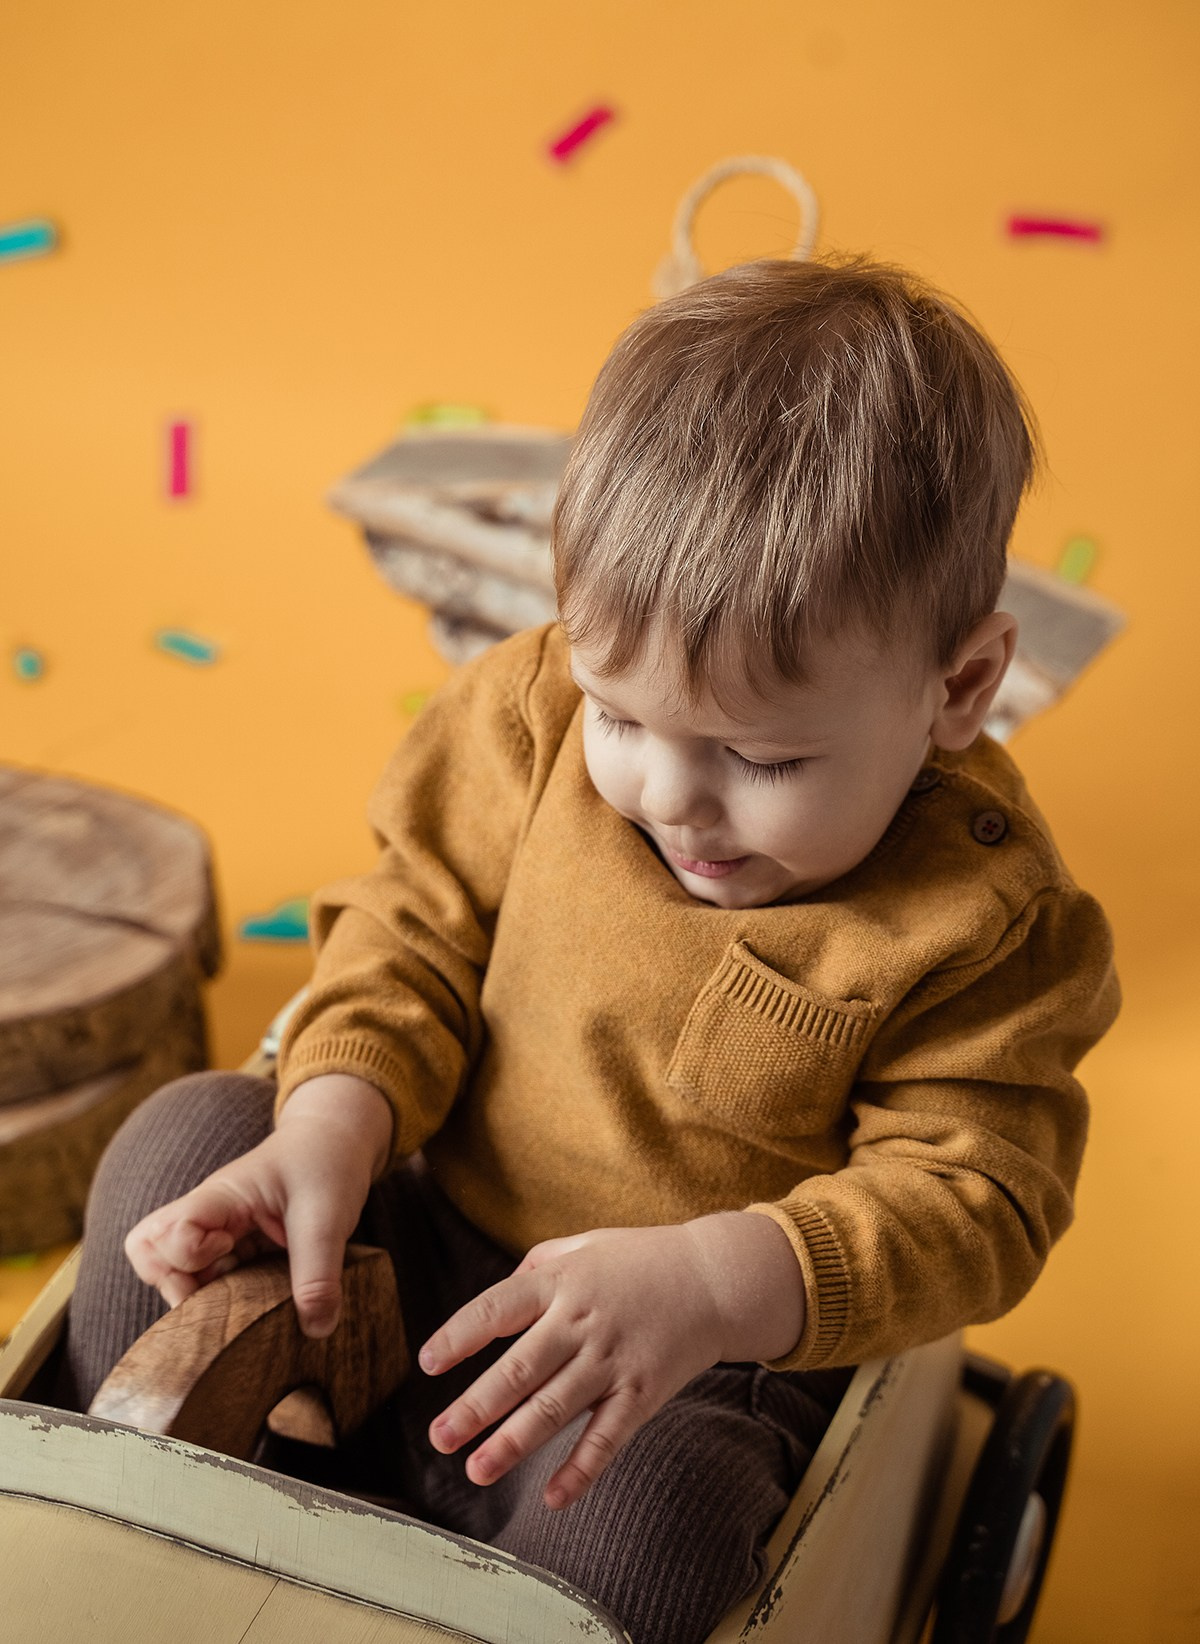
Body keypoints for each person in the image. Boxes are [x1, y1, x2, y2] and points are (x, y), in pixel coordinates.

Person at [58, 254, 1120, 1644]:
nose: (672, 796)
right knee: (182, 1138)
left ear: (961, 686)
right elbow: (414, 923)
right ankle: (121, 1542)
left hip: (693, 1357)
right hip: (423, 1237)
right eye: (627, 719)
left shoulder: (985, 923)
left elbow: (976, 1194)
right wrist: (336, 1116)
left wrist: (716, 1283)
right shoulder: (533, 715)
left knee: (654, 1529)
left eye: (761, 754)